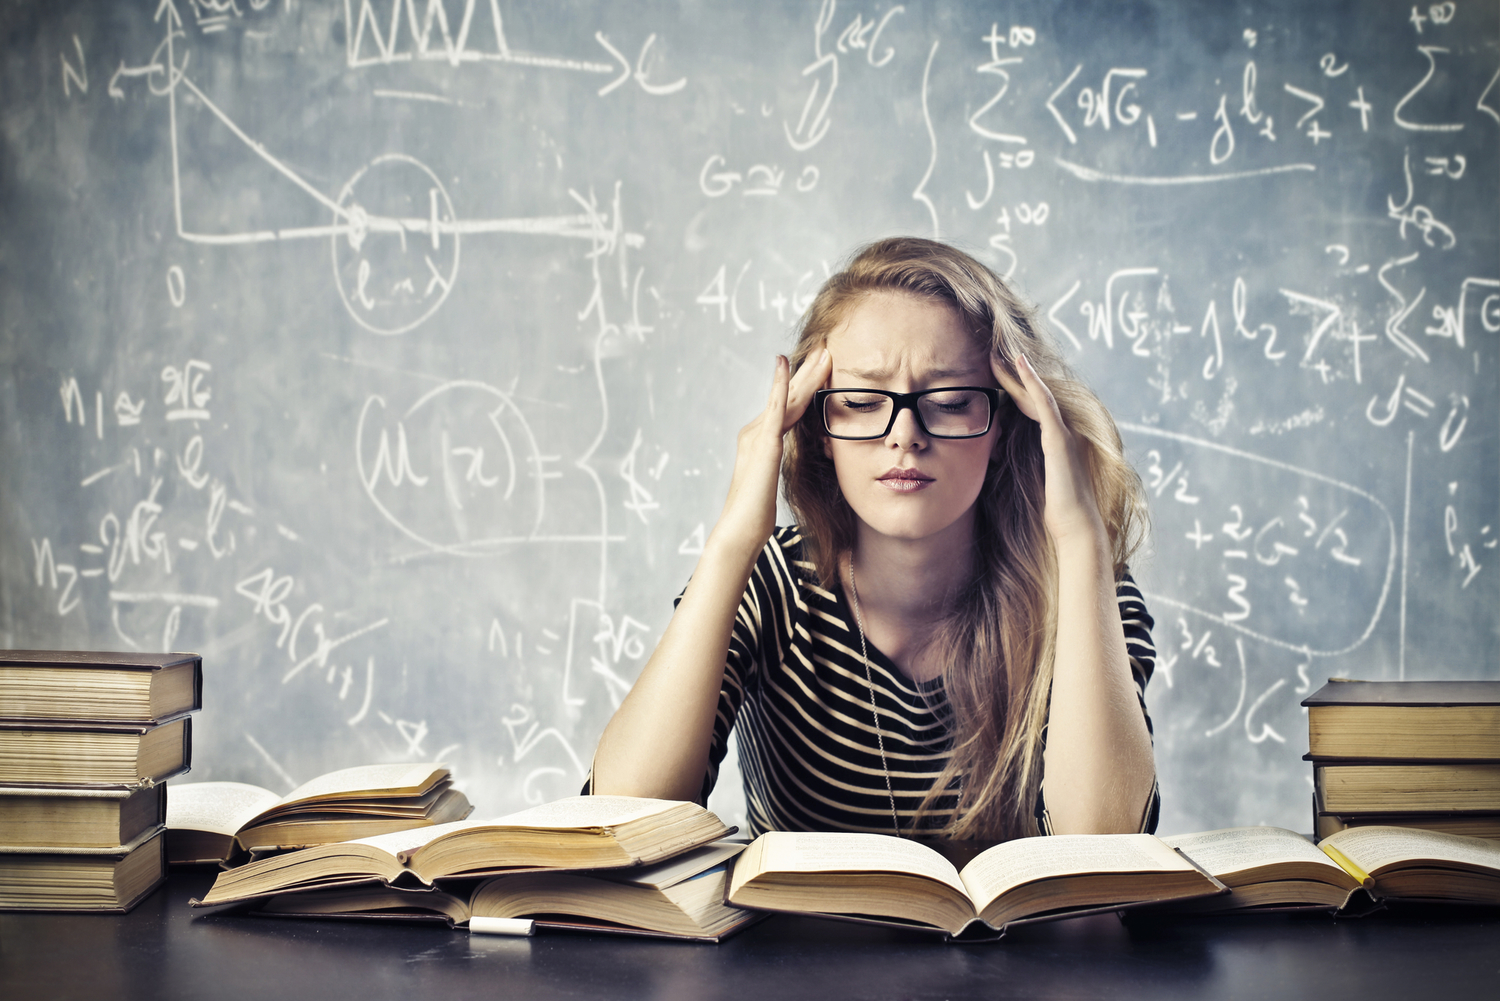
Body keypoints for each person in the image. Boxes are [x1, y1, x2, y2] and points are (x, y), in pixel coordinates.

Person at [591, 237, 1158, 841]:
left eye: (949, 402)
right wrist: (733, 540)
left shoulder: (1085, 591)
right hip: (796, 938)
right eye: (862, 402)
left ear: (1005, 423)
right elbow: (622, 826)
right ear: (819, 423)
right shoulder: (771, 584)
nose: (905, 436)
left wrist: (1080, 540)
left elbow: (1106, 847)